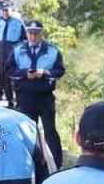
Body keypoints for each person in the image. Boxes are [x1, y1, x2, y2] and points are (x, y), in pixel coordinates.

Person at [5, 19, 65, 168]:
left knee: (50, 130)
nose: (33, 37)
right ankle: (28, 163)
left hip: (45, 98)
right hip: (25, 97)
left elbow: (60, 71)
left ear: (41, 34)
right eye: (30, 33)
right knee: (27, 131)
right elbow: (8, 70)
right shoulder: (18, 50)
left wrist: (44, 73)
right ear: (26, 33)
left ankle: (56, 163)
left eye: (36, 34)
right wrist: (25, 73)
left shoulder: (52, 51)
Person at [0, 0, 25, 108]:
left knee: (16, 81)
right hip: (3, 57)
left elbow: (24, 40)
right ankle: (10, 102)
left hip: (15, 58)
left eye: (7, 10)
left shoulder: (18, 23)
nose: (5, 12)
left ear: (11, 10)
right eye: (3, 10)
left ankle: (20, 102)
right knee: (5, 81)